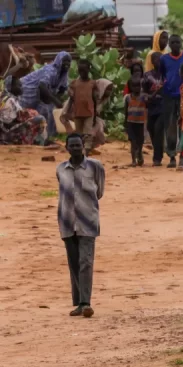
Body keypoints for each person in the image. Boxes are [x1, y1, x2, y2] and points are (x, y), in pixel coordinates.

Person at [56, 133, 104, 319]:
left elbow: (99, 191)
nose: (75, 149)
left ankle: (86, 303)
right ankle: (78, 302)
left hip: (88, 221)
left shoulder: (95, 166)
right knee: (74, 264)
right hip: (67, 222)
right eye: (72, 146)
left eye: (78, 145)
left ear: (83, 146)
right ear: (67, 147)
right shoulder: (61, 169)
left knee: (86, 262)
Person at [158, 35, 183, 168]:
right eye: (172, 42)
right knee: (170, 126)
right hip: (169, 96)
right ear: (169, 44)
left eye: (177, 42)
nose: (175, 45)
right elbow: (162, 75)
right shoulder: (164, 59)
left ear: (181, 43)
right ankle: (172, 155)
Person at [19, 50, 70, 141]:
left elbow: (62, 88)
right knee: (24, 114)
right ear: (59, 61)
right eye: (65, 61)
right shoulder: (51, 70)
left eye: (69, 62)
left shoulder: (64, 74)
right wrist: (55, 100)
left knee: (48, 111)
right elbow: (42, 87)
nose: (67, 64)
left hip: (42, 93)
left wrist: (56, 100)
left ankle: (47, 137)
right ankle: (29, 136)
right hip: (27, 90)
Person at [68, 59, 98, 151]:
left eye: (84, 71)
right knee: (79, 133)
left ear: (88, 70)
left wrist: (96, 111)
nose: (82, 73)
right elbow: (71, 95)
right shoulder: (74, 83)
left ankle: (87, 150)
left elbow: (95, 98)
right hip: (77, 112)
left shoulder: (93, 83)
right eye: (80, 71)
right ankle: (80, 150)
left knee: (88, 133)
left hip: (89, 112)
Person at [125, 76, 148, 166]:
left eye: (138, 86)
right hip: (130, 122)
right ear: (130, 87)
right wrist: (125, 123)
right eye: (134, 86)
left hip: (140, 123)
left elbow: (149, 100)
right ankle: (133, 160)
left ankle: (139, 153)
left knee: (140, 141)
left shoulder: (143, 96)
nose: (136, 88)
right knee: (133, 142)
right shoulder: (127, 97)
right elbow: (126, 110)